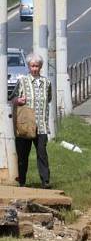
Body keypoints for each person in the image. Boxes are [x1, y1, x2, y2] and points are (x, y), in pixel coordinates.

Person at [11, 53, 52, 188]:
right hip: (26, 125)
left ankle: (45, 181)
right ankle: (22, 181)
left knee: (42, 153)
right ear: (29, 67)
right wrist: (19, 101)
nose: (35, 68)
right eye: (32, 66)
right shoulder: (22, 81)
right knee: (23, 155)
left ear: (40, 67)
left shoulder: (47, 82)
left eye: (37, 66)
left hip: (41, 125)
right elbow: (13, 98)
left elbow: (49, 98)